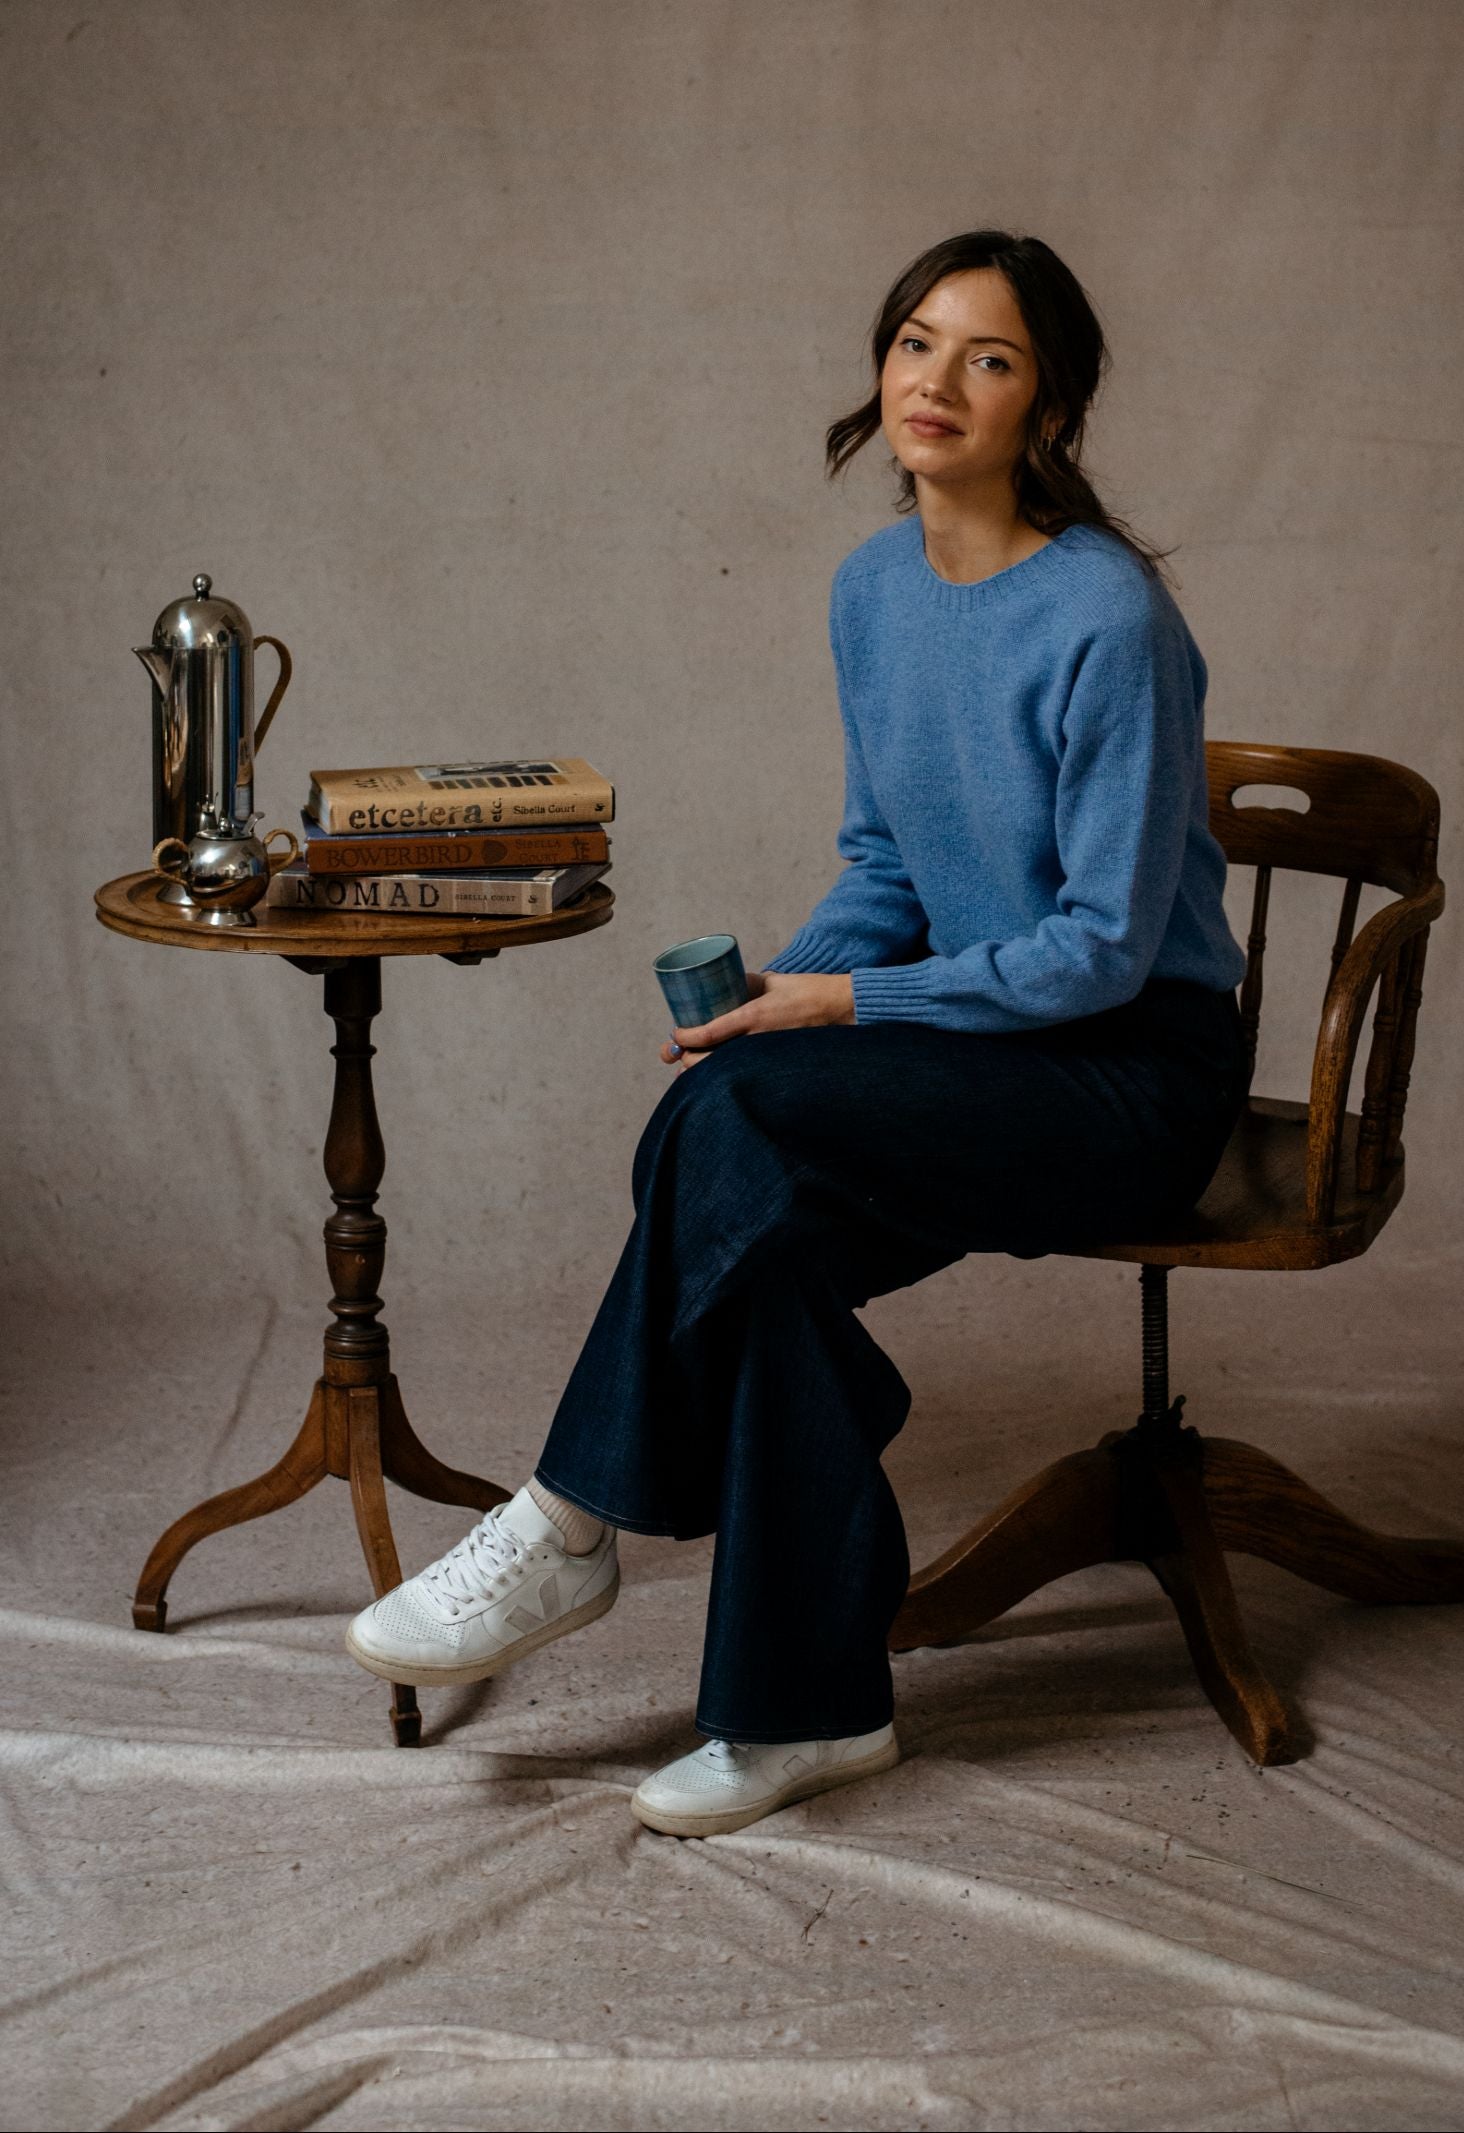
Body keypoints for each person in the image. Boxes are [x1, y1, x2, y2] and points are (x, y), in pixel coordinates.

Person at [345, 229, 1249, 1836]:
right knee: (736, 1166)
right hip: (988, 1040)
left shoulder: (1112, 621)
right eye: (915, 342)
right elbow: (894, 865)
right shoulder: (873, 590)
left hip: (1127, 1067)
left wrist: (837, 1006)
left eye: (990, 357)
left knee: (734, 1139)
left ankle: (569, 1519)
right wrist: (775, 997)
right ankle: (799, 1715)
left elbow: (1106, 952)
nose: (937, 382)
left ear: (1051, 408)